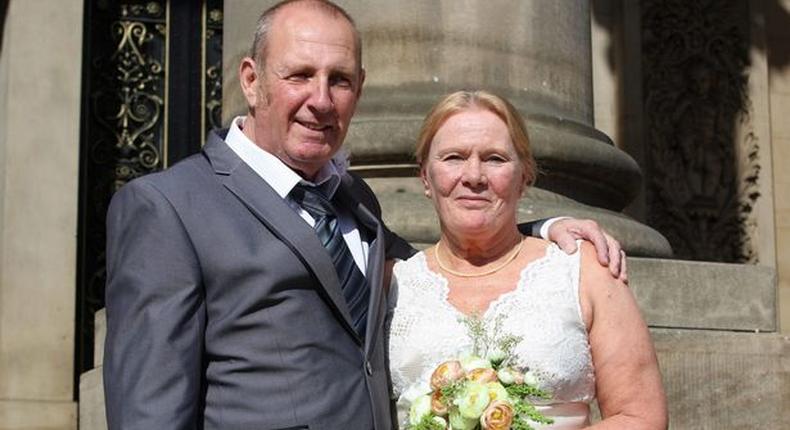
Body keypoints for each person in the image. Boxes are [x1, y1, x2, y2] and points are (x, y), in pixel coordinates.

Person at [102, 1, 626, 429]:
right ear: (251, 79)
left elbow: (438, 267)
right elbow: (149, 410)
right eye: (300, 75)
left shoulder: (351, 198)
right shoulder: (167, 206)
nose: (321, 100)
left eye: (341, 80)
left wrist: (542, 231)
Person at [387, 91, 667, 429]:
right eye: (453, 157)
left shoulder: (584, 270)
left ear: (525, 177)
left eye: (494, 159)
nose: (474, 176)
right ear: (425, 178)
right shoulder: (393, 283)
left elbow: (641, 417)